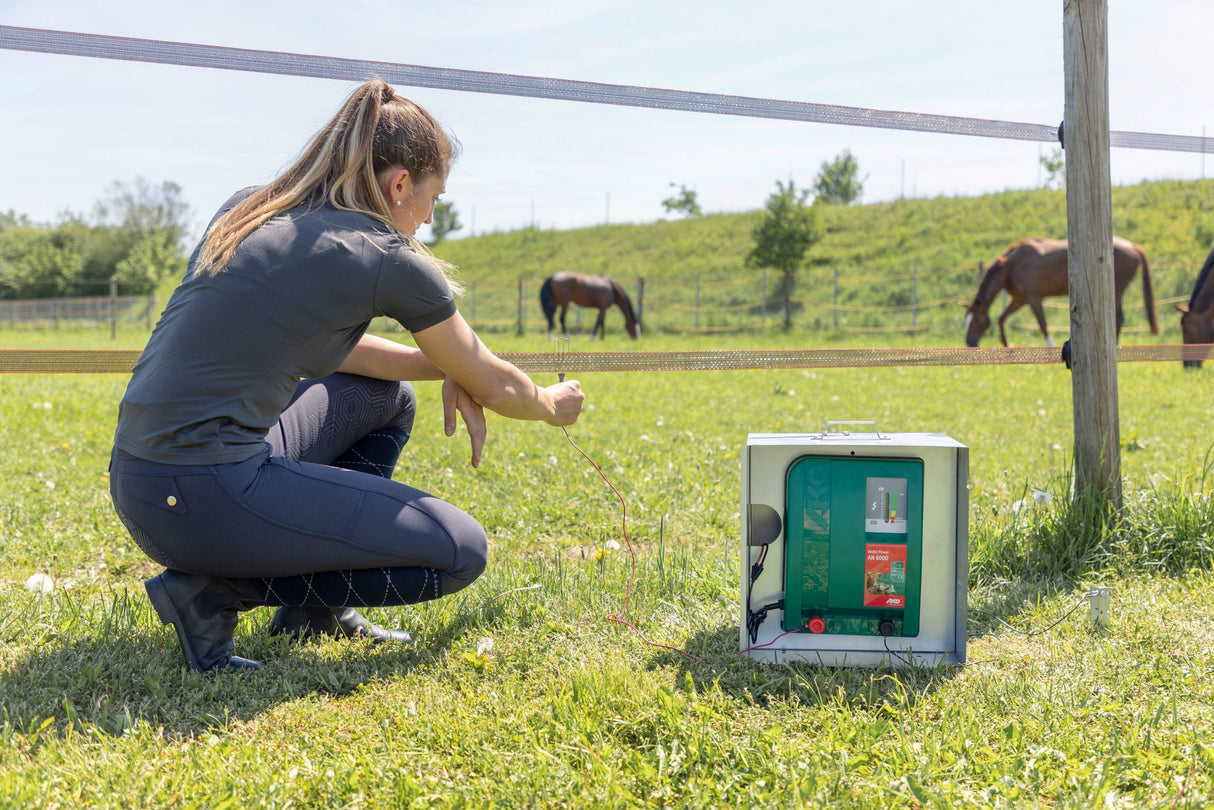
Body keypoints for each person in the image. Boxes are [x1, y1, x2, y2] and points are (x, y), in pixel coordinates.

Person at [108, 79, 584, 672]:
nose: (430, 218)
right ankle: (213, 594)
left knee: (387, 396)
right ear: (399, 184)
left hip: (140, 481)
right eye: (434, 199)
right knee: (459, 551)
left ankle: (315, 612)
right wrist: (548, 401)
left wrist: (444, 368)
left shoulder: (252, 206)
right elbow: (495, 381)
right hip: (204, 493)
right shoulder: (383, 255)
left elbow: (346, 353)